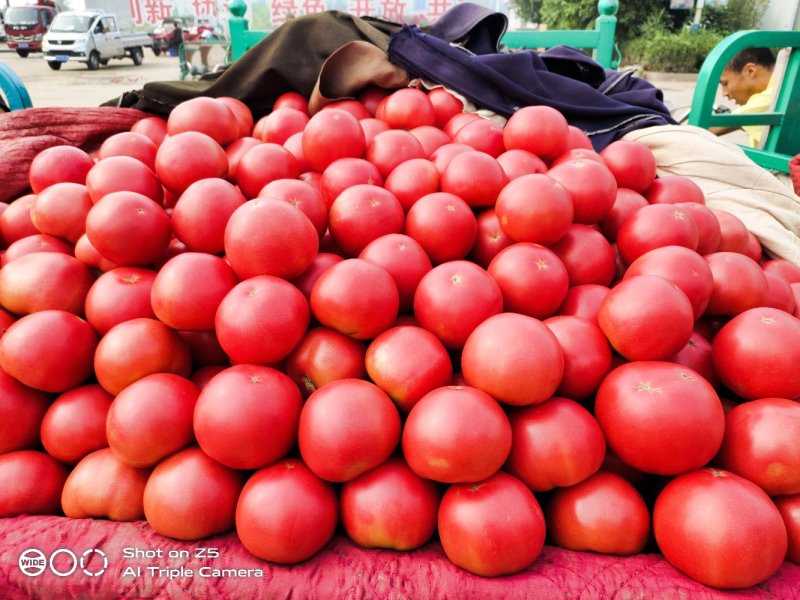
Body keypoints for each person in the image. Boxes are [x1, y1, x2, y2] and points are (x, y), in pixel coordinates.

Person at [709, 46, 776, 147]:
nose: (724, 93)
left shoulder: (772, 97)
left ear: (750, 71)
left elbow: (706, 128)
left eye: (725, 83)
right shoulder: (787, 84)